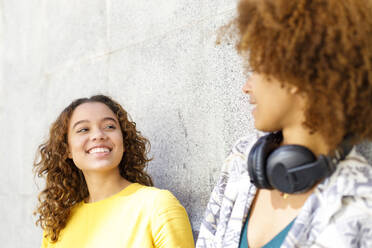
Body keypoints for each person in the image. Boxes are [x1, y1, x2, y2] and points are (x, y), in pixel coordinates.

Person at [196, 0, 372, 247]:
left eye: (256, 68)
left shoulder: (360, 206)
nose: (246, 87)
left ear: (295, 72)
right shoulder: (240, 160)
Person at [34, 94, 195, 248]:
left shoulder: (157, 206)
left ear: (123, 141)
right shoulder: (57, 226)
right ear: (66, 148)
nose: (98, 135)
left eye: (109, 126)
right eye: (84, 129)